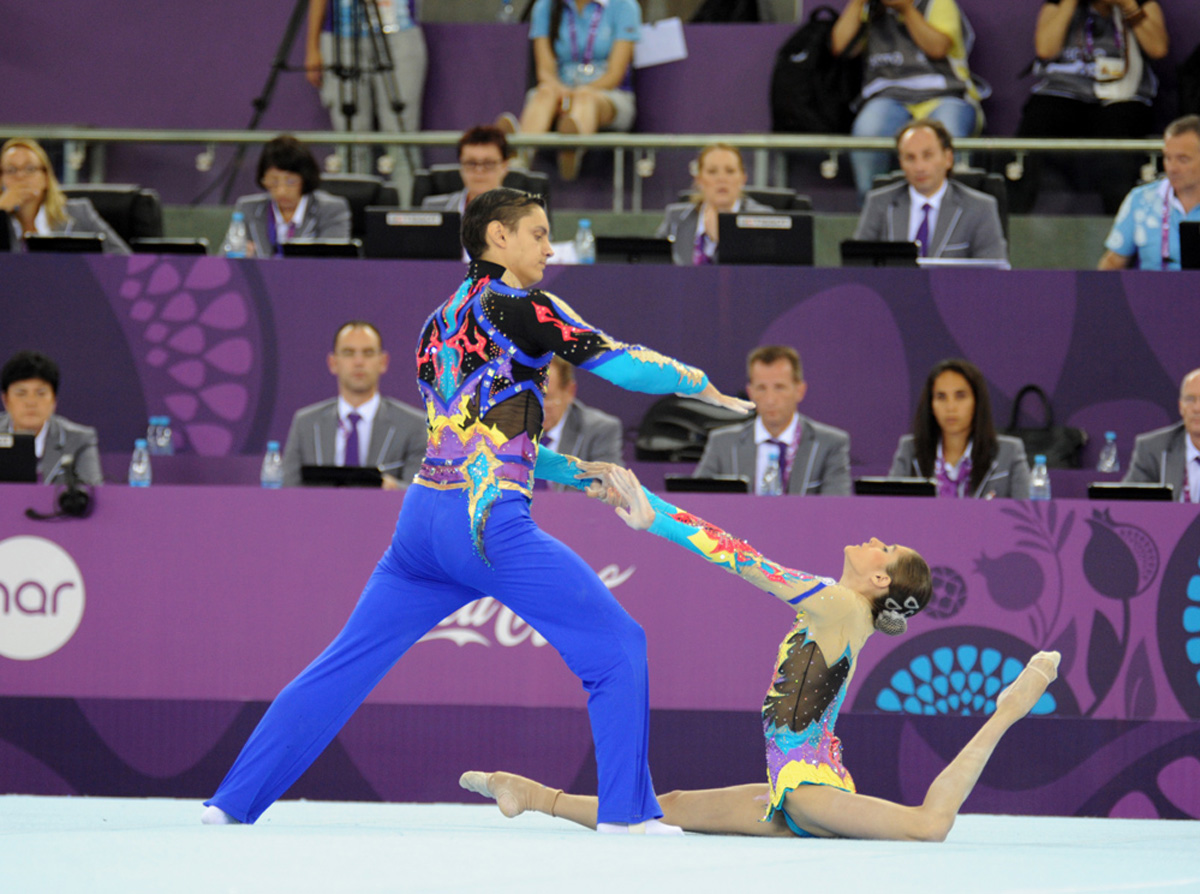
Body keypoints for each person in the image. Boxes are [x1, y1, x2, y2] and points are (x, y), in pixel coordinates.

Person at [200, 188, 752, 832]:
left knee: (344, 665)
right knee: (617, 645)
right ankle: (627, 815)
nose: (550, 247)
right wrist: (703, 385)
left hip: (421, 525)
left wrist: (574, 472)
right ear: (498, 237)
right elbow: (625, 365)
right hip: (486, 526)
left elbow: (473, 433)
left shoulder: (435, 323)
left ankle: (230, 803)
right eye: (539, 233)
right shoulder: (521, 305)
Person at [461, 465, 1060, 841]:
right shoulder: (842, 610)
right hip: (789, 787)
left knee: (927, 825)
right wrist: (648, 506)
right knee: (658, 809)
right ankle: (530, 794)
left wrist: (654, 520)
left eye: (887, 549)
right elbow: (738, 553)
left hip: (808, 789)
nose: (875, 540)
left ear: (882, 582)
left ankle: (1010, 706)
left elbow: (743, 560)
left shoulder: (841, 605)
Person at [1011, 0, 1169, 216]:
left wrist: (1129, 7)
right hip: (1064, 93)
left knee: (1120, 134)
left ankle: (1120, 227)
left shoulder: (1141, 4)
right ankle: (1022, 219)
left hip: (1121, 95)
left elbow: (1158, 48)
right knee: (1040, 117)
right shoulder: (1058, 4)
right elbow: (1045, 49)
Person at [831, 0, 984, 200]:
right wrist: (858, 3)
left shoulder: (938, 3)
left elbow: (938, 47)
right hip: (887, 97)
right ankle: (874, 214)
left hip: (944, 94)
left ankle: (951, 214)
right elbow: (839, 46)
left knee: (948, 132)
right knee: (868, 132)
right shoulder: (870, 8)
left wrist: (907, 10)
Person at [496, 0, 641, 180]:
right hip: (560, 91)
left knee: (585, 97)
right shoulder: (544, 6)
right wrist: (561, 91)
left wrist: (577, 93)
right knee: (544, 92)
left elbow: (614, 75)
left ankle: (572, 152)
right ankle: (517, 162)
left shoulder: (625, 6)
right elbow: (545, 70)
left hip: (609, 95)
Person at [280, 320, 426, 490]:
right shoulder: (306, 424)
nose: (358, 362)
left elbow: (421, 497)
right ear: (333, 363)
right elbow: (287, 491)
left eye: (368, 353)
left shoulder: (412, 425)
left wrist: (390, 488)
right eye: (349, 353)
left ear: (383, 362)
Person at [304, 0, 427, 197]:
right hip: (341, 38)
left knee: (401, 137)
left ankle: (409, 215)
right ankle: (353, 214)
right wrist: (312, 47)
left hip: (398, 31)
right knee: (351, 139)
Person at [694, 345, 852, 496]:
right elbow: (696, 503)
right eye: (761, 388)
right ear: (750, 392)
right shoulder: (723, 443)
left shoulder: (829, 444)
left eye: (779, 387)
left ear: (799, 390)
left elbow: (838, 510)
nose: (770, 400)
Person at [853, 119, 1007, 261]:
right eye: (910, 158)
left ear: (948, 158)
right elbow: (858, 268)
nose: (919, 167)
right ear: (901, 163)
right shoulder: (880, 203)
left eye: (927, 156)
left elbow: (992, 274)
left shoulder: (979, 208)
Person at [889, 358, 1031, 499]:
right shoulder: (910, 450)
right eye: (941, 397)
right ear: (931, 405)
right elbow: (889, 509)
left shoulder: (1009, 452)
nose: (951, 407)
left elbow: (1027, 513)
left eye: (960, 396)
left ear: (977, 402)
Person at [224, 135, 352, 259]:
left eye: (291, 182)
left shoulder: (330, 210)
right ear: (263, 180)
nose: (281, 191)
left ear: (305, 179)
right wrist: (239, 260)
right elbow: (223, 260)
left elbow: (335, 263)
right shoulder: (247, 208)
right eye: (274, 182)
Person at [1099, 115, 1200, 271]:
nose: (1172, 168)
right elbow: (1112, 263)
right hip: (1151, 293)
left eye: (1183, 159)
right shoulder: (1140, 200)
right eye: (1167, 158)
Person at [1, 138, 130, 254]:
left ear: (46, 178)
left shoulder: (79, 213)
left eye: (30, 169)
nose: (20, 176)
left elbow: (123, 258)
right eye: (11, 170)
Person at [656, 144, 775, 267]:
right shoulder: (676, 218)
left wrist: (722, 241)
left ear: (743, 178)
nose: (721, 179)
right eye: (712, 171)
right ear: (699, 179)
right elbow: (654, 264)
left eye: (730, 171)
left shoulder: (761, 219)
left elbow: (762, 275)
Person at [0, 350, 101, 486]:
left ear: (54, 400)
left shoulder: (79, 441)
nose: (31, 402)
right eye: (21, 393)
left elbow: (93, 494)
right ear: (5, 400)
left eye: (41, 393)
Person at [1123, 368, 1200, 502]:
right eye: (1190, 399)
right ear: (1181, 407)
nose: (1197, 408)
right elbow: (1127, 503)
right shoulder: (1153, 449)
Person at [541, 356, 623, 466]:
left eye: (547, 398)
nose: (535, 408)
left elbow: (605, 481)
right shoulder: (512, 427)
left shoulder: (598, 430)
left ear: (569, 391)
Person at [421, 126, 512, 214]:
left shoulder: (523, 212)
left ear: (504, 166)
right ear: (461, 166)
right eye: (471, 163)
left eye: (488, 163)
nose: (479, 170)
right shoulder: (434, 209)